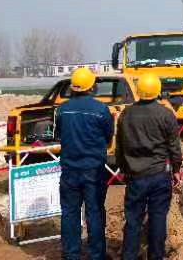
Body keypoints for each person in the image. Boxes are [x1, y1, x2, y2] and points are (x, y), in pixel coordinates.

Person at [116, 73, 182, 260]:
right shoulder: (166, 114)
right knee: (158, 219)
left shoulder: (126, 114)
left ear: (138, 90)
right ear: (157, 90)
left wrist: (123, 170)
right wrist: (177, 170)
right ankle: (156, 256)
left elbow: (120, 146)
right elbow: (174, 147)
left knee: (133, 221)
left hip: (135, 177)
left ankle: (129, 256)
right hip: (159, 175)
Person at [55, 67, 114, 260]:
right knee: (94, 212)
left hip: (69, 169)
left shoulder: (62, 109)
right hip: (94, 170)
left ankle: (71, 254)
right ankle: (96, 254)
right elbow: (109, 136)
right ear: (91, 87)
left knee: (69, 212)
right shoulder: (101, 109)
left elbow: (59, 135)